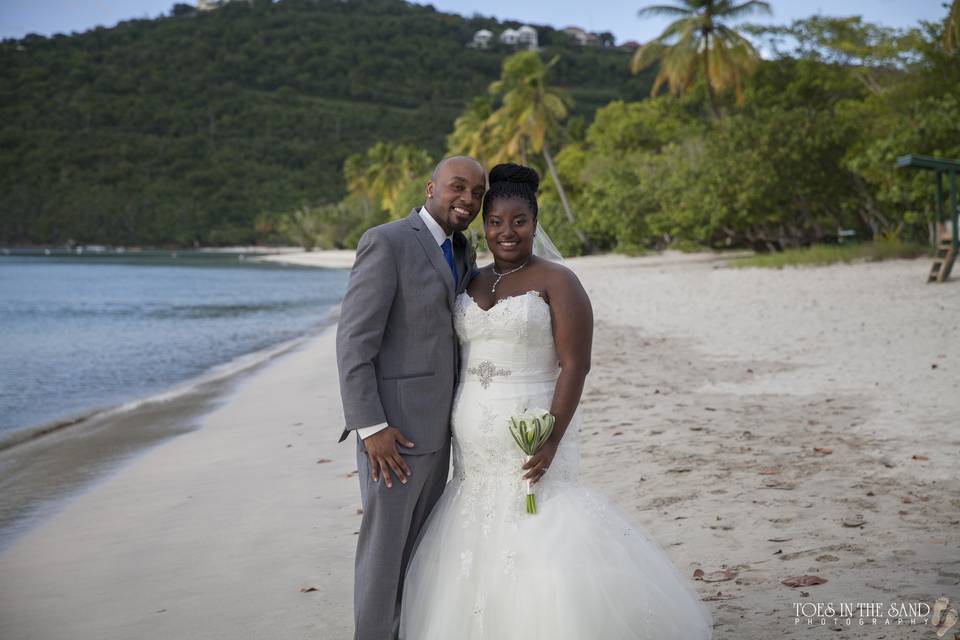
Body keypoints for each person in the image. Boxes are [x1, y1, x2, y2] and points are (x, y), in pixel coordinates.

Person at [398, 163, 714, 639]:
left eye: (519, 221)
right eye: (496, 221)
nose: (507, 232)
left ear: (535, 222)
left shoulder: (559, 282)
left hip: (531, 432)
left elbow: (575, 366)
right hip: (472, 449)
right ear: (483, 225)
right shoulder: (471, 280)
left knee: (541, 523)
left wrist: (550, 437)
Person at [335, 155, 487, 640]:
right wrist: (371, 427)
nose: (467, 199)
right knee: (384, 556)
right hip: (393, 436)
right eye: (457, 188)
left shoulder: (463, 251)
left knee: (419, 554)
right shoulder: (387, 242)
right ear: (430, 187)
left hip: (441, 431)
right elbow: (354, 343)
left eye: (477, 194)